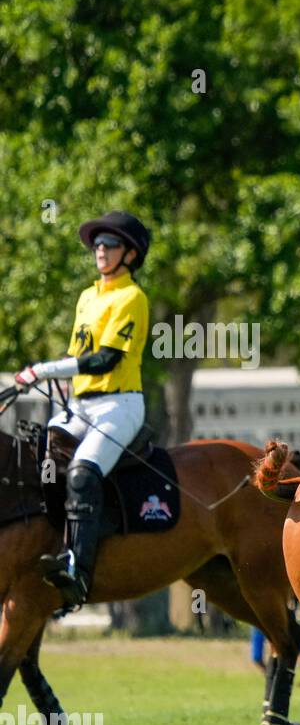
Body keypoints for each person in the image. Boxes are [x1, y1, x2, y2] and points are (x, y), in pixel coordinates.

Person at [12, 211, 152, 608]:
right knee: (39, 457)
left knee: (81, 472)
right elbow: (78, 355)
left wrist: (44, 369)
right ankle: (48, 547)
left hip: (118, 405)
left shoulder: (132, 298)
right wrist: (50, 374)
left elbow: (104, 360)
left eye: (109, 245)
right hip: (80, 404)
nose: (100, 251)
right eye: (97, 244)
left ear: (130, 255)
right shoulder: (88, 297)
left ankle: (78, 571)